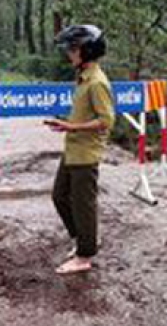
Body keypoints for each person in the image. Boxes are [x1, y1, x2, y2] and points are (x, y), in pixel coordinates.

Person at [45, 24, 115, 275]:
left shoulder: (97, 82)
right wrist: (66, 122)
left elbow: (107, 120)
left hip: (86, 153)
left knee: (83, 204)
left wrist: (70, 126)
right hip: (73, 149)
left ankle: (85, 256)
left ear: (87, 51)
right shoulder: (84, 77)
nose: (69, 53)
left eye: (73, 49)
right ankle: (84, 239)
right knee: (59, 196)